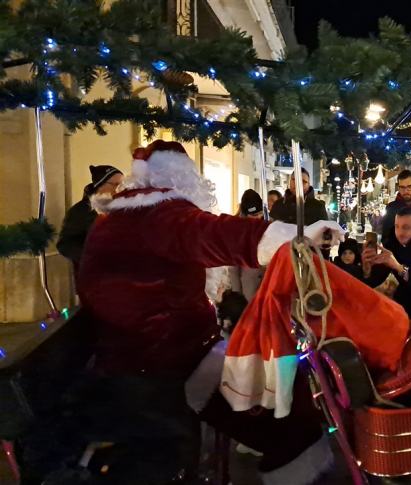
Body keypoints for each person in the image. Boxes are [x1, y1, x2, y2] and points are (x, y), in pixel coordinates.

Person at [72, 140, 343, 484]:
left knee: (271, 383)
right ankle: (299, 463)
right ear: (180, 177)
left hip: (149, 352)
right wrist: (296, 236)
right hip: (164, 360)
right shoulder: (160, 214)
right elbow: (216, 234)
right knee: (280, 404)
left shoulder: (121, 216)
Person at [56, 165, 123, 273]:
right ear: (100, 185)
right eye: (115, 184)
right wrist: (93, 257)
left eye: (122, 185)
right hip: (93, 273)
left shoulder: (122, 208)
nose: (119, 189)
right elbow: (65, 245)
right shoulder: (80, 211)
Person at [227, 190, 266, 301]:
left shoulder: (267, 224)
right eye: (254, 215)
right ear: (244, 213)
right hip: (248, 287)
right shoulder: (235, 229)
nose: (258, 217)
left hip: (266, 281)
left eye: (260, 213)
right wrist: (237, 296)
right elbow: (233, 268)